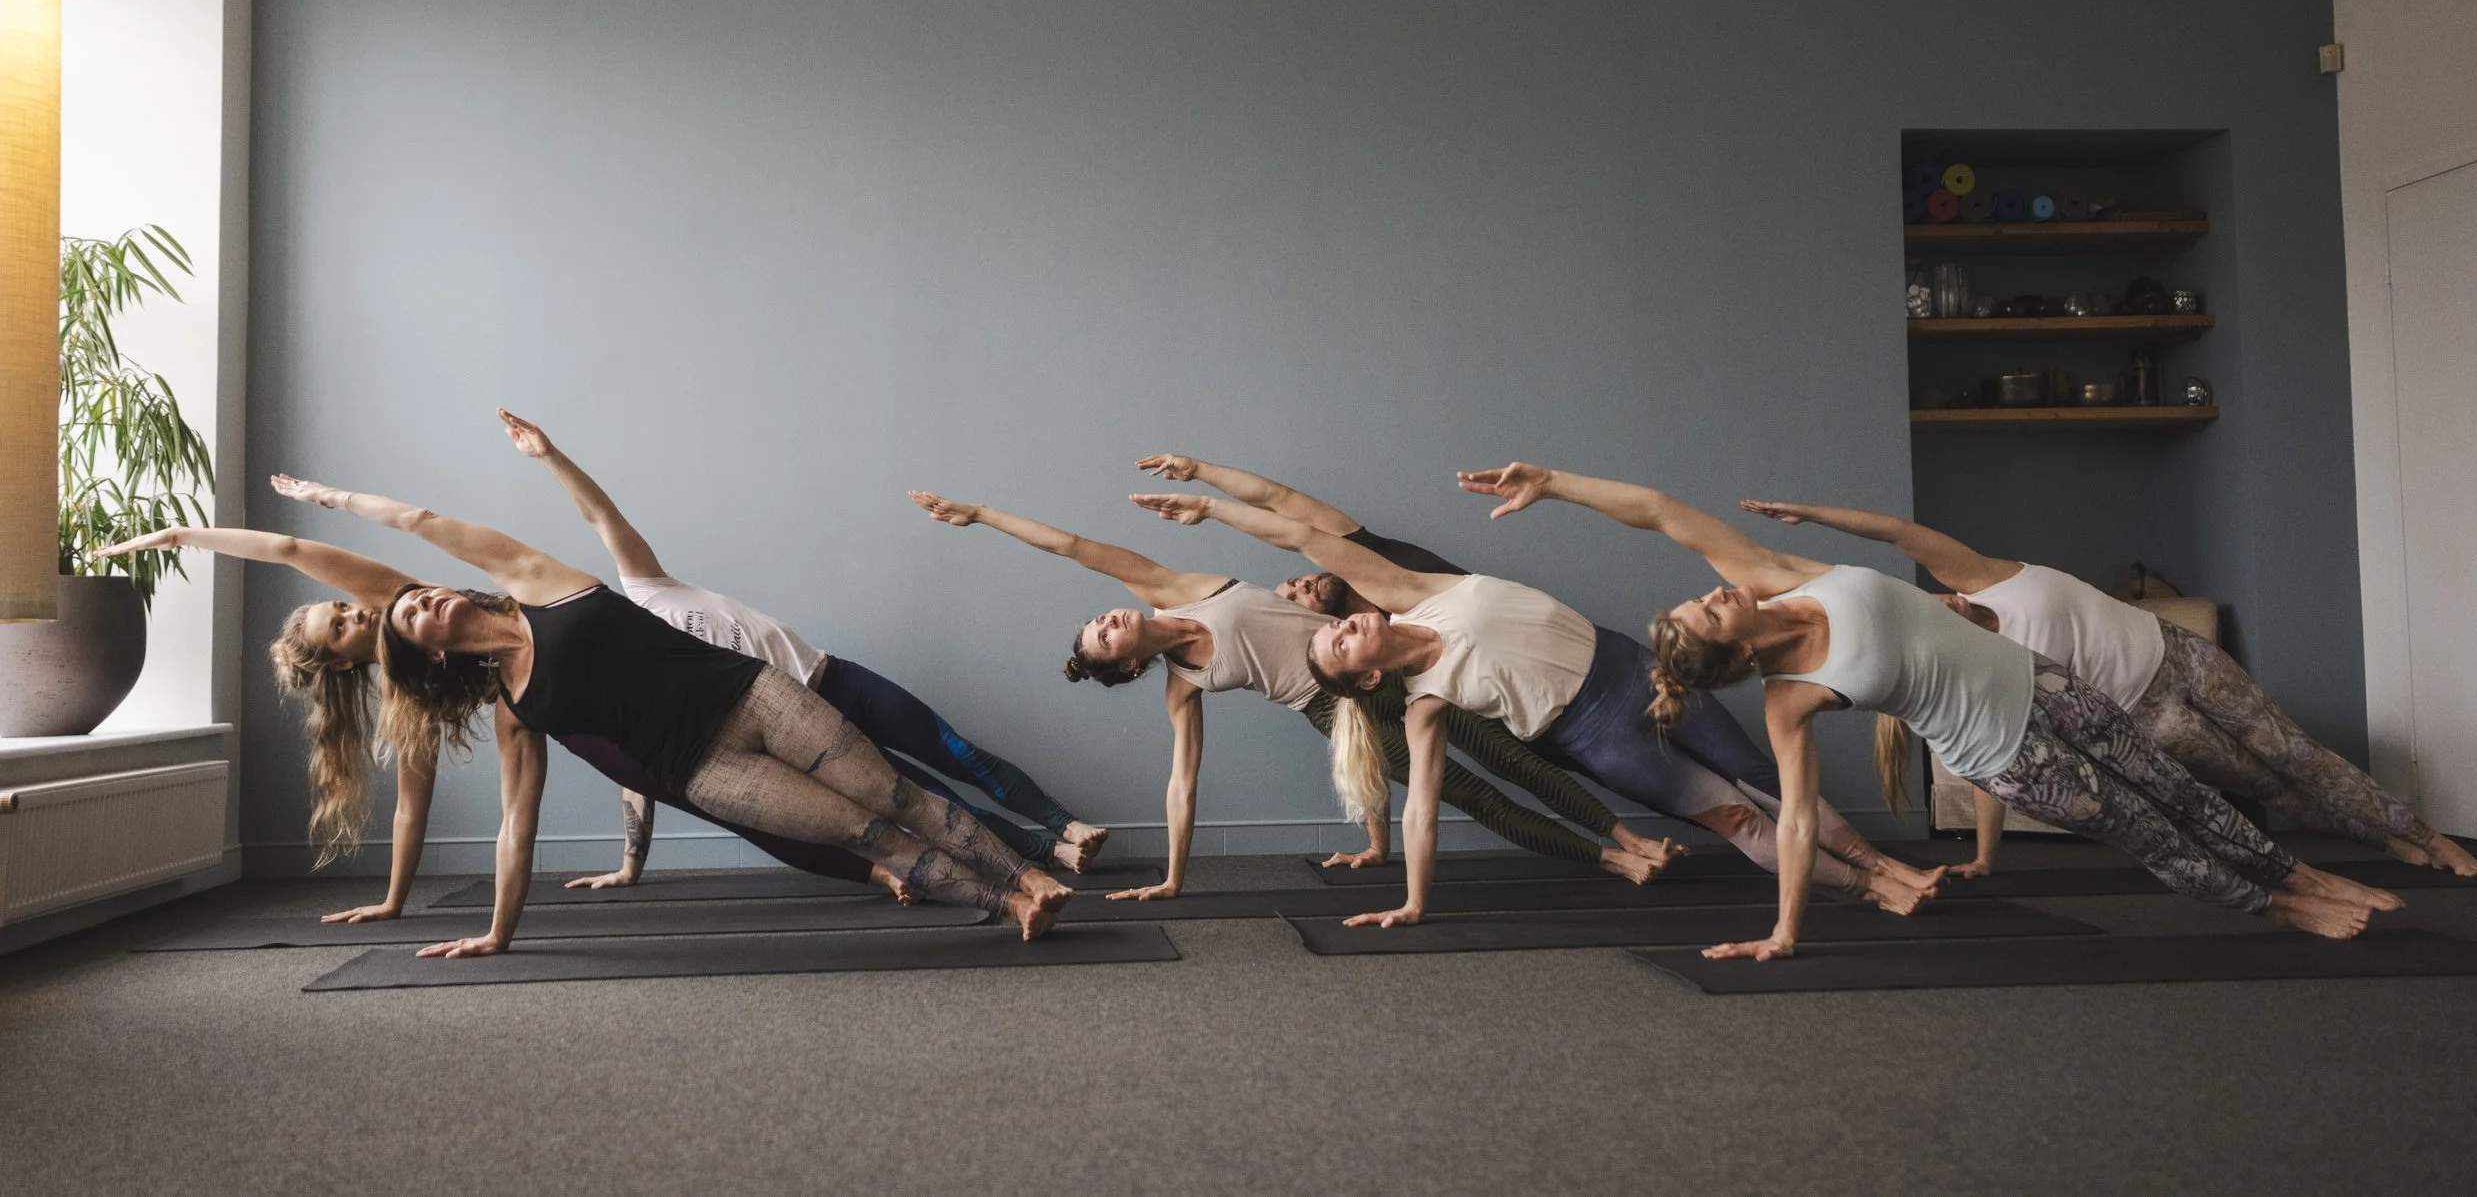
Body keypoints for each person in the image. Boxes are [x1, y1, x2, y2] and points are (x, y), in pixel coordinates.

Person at [1450, 461, 2397, 959]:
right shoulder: (1790, 698)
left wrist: (1557, 482)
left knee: (2179, 788)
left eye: (1704, 594)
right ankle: (2278, 902)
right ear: (1732, 651)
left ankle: (2303, 872)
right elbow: (1793, 826)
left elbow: (1658, 508)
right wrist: (1784, 929)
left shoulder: (1774, 575)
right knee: (2152, 830)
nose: (1710, 590)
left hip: (2047, 682)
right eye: (1707, 608)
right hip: (2007, 753)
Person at [109, 479, 1070, 953]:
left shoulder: (508, 585)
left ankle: (1027, 871)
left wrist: (199, 528)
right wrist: (490, 929)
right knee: (860, 832)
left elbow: (334, 538)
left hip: (737, 692)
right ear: (409, 653)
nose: (375, 607)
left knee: (892, 788)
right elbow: (503, 816)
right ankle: (1010, 896)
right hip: (679, 757)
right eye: (354, 618)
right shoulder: (472, 696)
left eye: (377, 602)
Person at [1127, 490, 1943, 928]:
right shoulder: (1421, 701)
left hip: (1632, 665)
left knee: (1766, 773)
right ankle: (1873, 890)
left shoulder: (1420, 592)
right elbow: (1422, 812)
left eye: (1337, 627)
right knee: (1738, 817)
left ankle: (1888, 865)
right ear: (1367, 681)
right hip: (1594, 735)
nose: (1346, 625)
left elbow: (1307, 540)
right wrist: (1413, 899)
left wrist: (1212, 506)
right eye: (1341, 646)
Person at [908, 485, 1678, 897]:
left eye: (1101, 619)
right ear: (1128, 666)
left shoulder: (1179, 586)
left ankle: (1630, 833)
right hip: (1327, 706)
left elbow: (1074, 548)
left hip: (1376, 659)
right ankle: (1609, 861)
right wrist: (1174, 876)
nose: (1108, 620)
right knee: (1470, 795)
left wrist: (981, 514)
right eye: (1104, 638)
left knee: (1512, 755)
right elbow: (1182, 782)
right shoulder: (1183, 683)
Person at [1735, 497, 2477, 880]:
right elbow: (1992, 765)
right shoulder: (1979, 664)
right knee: (2277, 789)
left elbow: (1897, 531)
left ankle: (2426, 836)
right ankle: (2383, 836)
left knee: (2295, 752)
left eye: (1935, 600)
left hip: (2181, 655)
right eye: (1930, 615)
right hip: (2148, 720)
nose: (1939, 608)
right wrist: (1987, 858)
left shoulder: (1984, 573)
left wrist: (1812, 512)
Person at [499, 410, 1105, 882]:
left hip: (831, 679)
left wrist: (550, 456)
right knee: (928, 800)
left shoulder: (647, 590)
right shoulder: (629, 676)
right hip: (800, 736)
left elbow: (602, 517)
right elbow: (643, 763)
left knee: (959, 753)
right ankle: (1048, 850)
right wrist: (633, 862)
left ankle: (1068, 824)